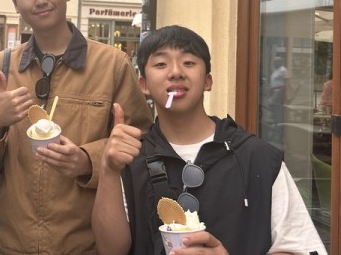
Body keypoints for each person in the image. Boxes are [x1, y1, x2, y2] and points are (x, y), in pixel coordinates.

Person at [92, 25, 327, 255]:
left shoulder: (257, 158)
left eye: (188, 62)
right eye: (161, 64)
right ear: (143, 85)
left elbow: (301, 248)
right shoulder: (130, 159)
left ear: (207, 81)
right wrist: (108, 169)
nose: (176, 72)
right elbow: (110, 250)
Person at [0, 0, 152, 254]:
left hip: (83, 245)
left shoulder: (112, 65)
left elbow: (142, 143)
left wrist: (87, 160)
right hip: (10, 245)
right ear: (15, 2)